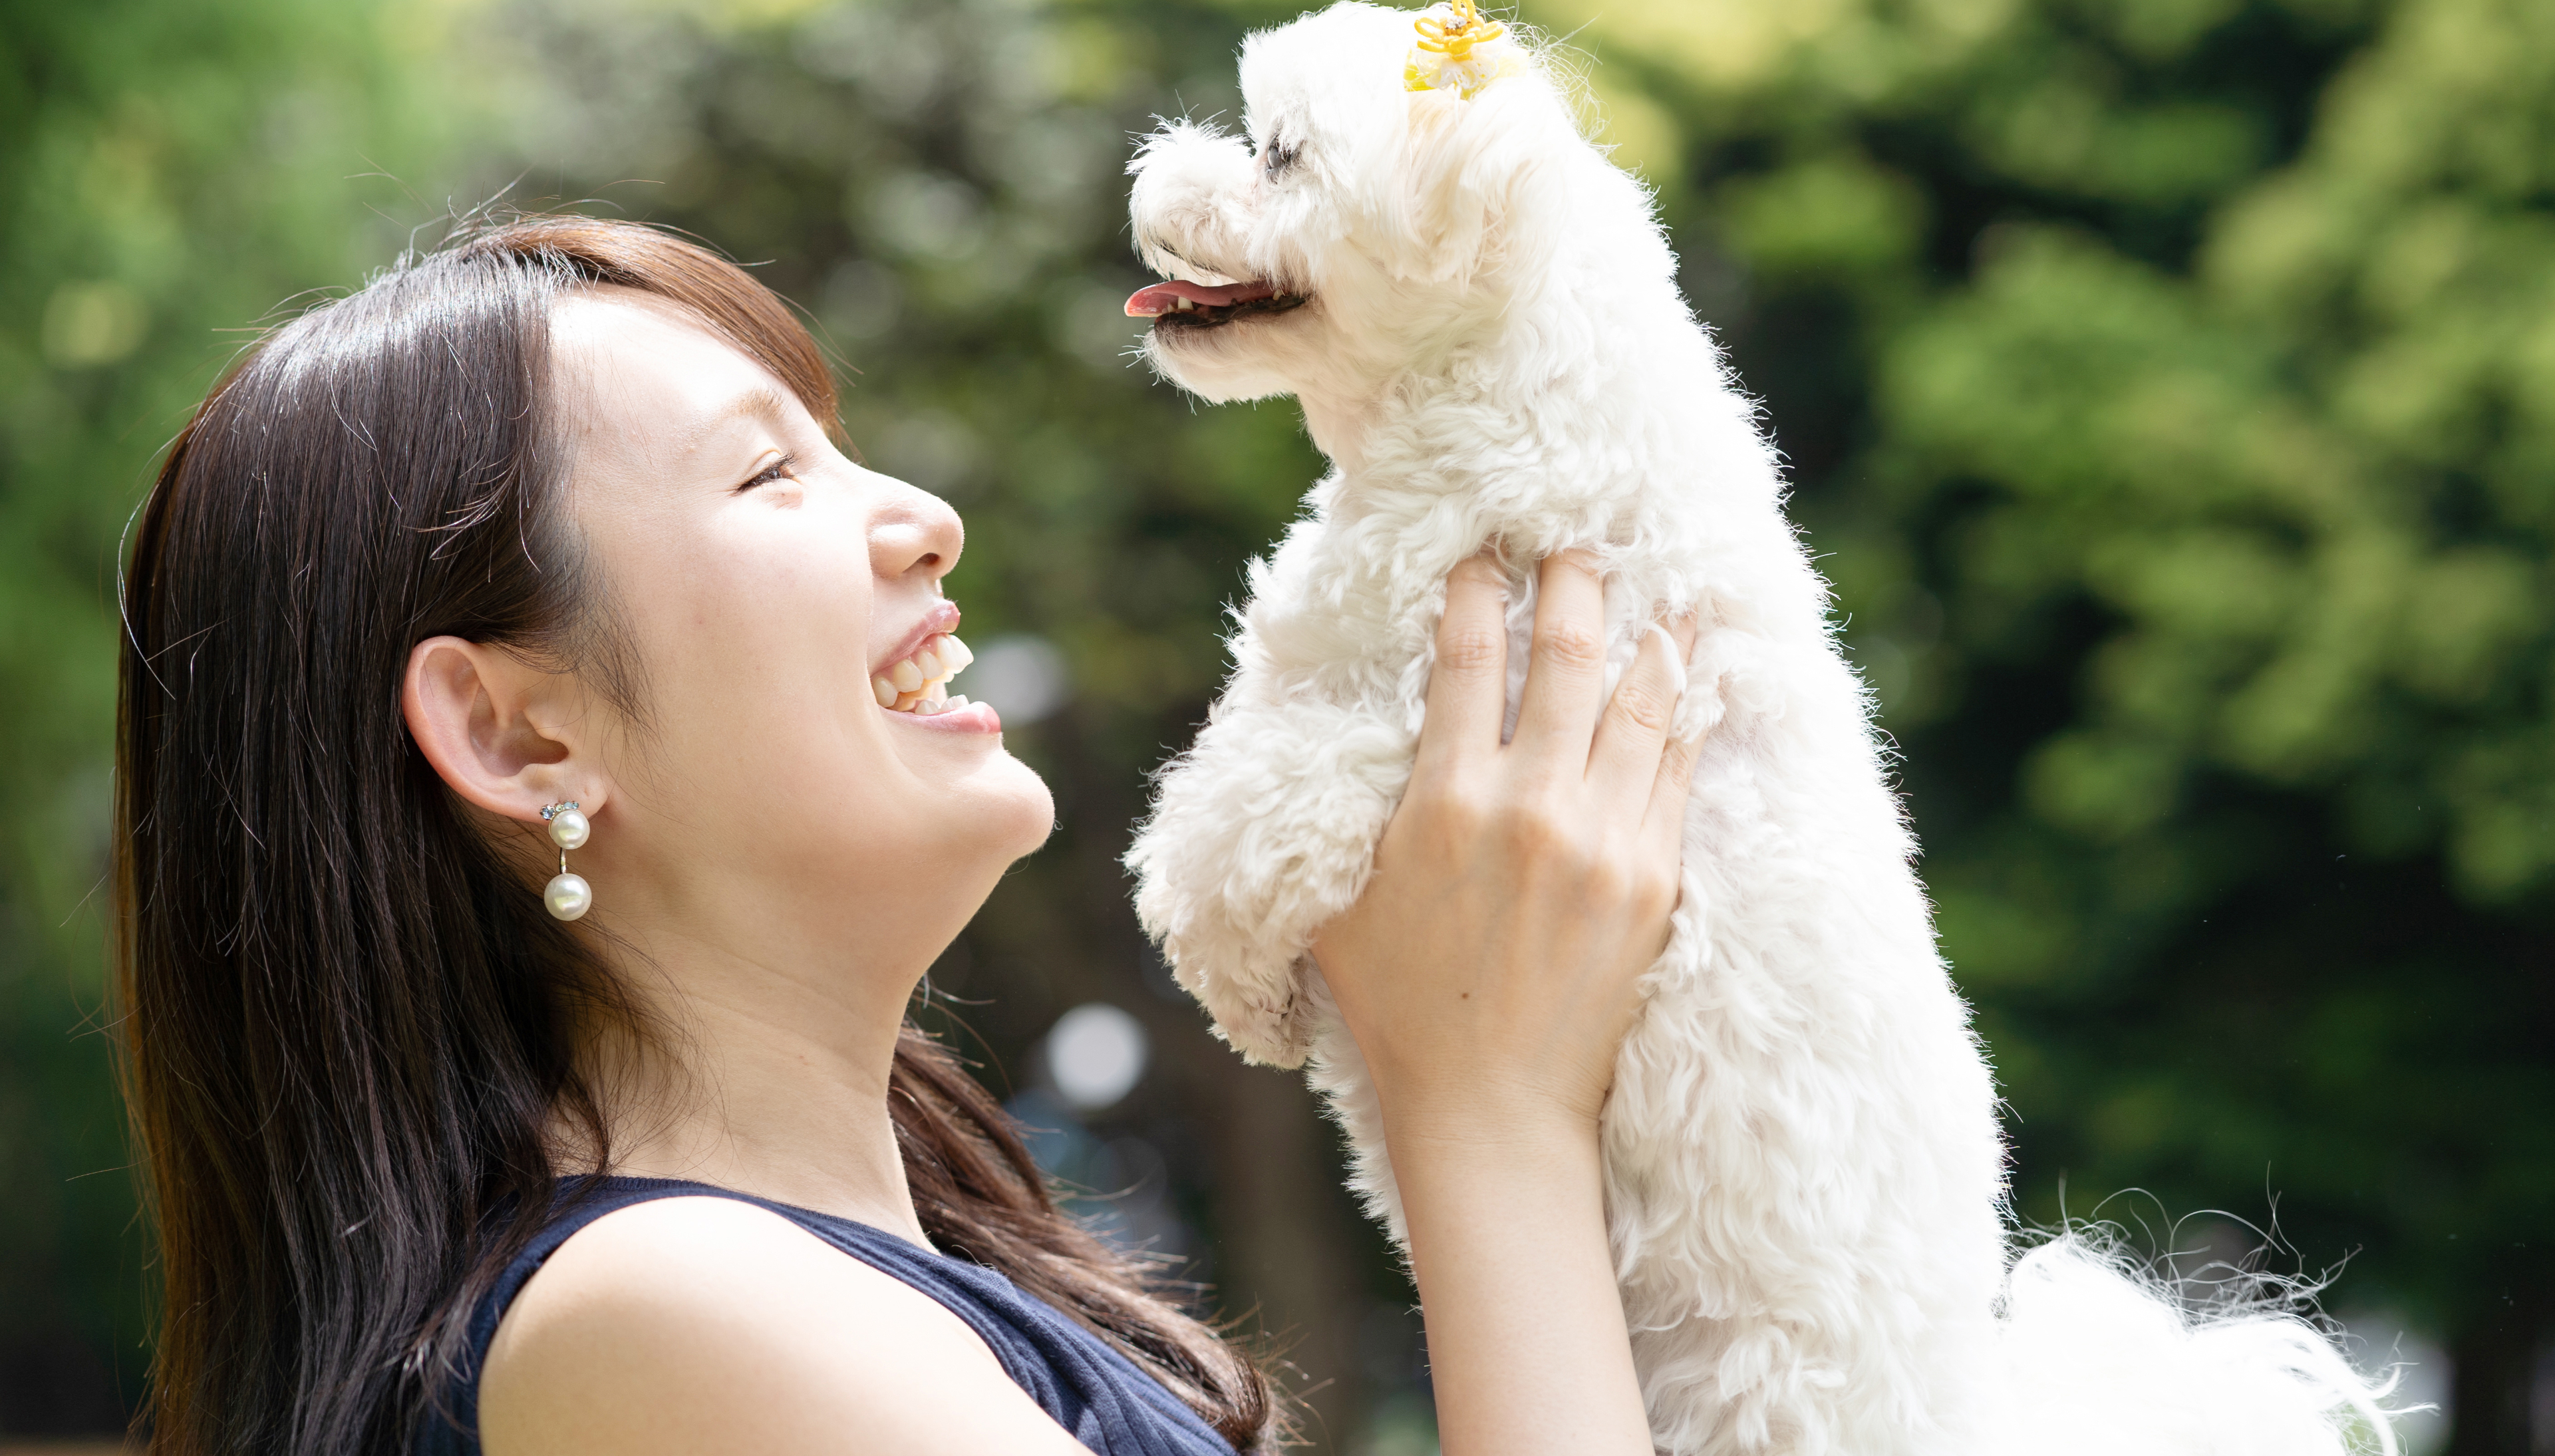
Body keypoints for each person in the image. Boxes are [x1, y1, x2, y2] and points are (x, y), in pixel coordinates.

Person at [115, 216, 1698, 1456]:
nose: (924, 518)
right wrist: (1485, 1113)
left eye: (837, 444)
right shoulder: (663, 1317)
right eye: (767, 472)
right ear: (520, 735)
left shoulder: (844, 1282)